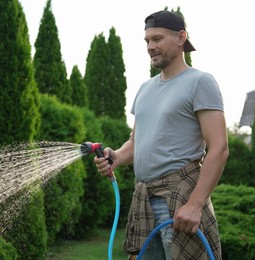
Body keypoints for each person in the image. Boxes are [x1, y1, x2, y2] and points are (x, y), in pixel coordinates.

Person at [94, 10, 229, 260]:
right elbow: (136, 141)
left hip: (179, 201)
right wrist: (117, 156)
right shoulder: (145, 89)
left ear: (181, 38)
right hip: (143, 201)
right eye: (147, 41)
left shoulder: (200, 82)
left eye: (157, 39)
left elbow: (219, 148)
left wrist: (195, 204)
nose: (150, 47)